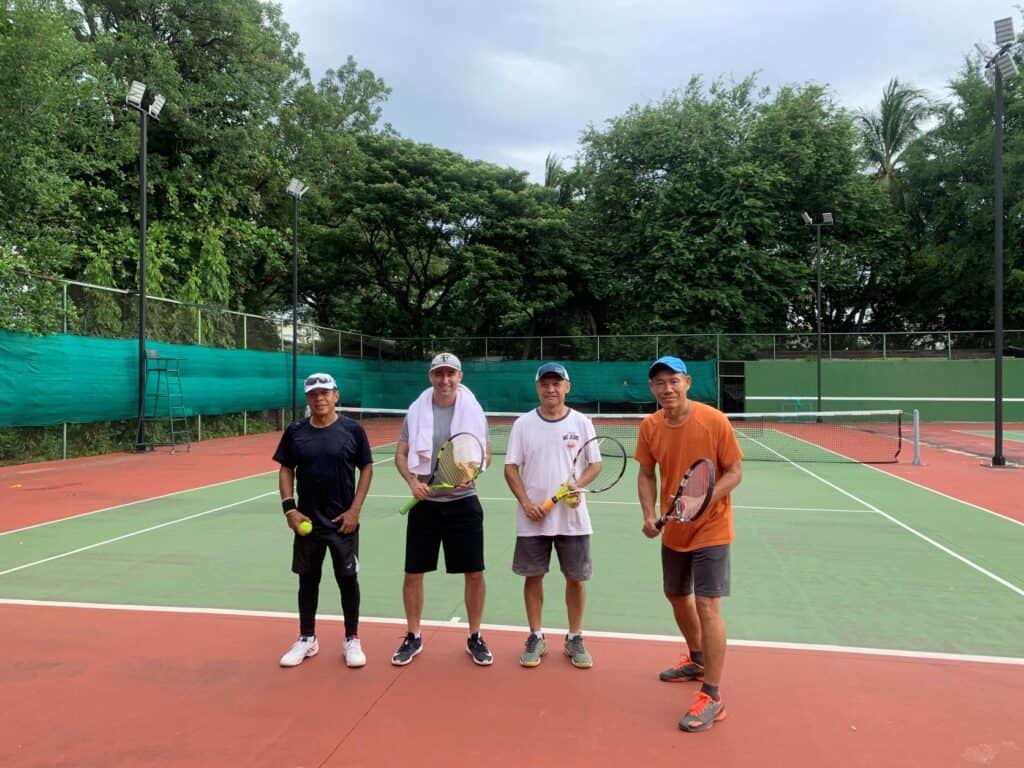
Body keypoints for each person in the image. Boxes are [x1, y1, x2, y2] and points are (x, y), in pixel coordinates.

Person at [636, 356, 743, 732]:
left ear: (688, 382)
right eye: (659, 383)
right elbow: (646, 474)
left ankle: (712, 696)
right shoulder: (650, 426)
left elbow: (735, 472)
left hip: (712, 527)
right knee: (676, 596)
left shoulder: (714, 421)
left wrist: (703, 501)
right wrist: (649, 514)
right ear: (652, 389)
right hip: (674, 529)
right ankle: (697, 658)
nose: (667, 388)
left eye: (674, 380)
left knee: (707, 605)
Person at [392, 352, 493, 666]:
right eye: (439, 374)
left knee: (474, 573)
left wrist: (472, 473)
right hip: (425, 505)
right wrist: (412, 481)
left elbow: (485, 453)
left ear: (459, 377)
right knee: (413, 573)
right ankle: (413, 635)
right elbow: (402, 453)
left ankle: (475, 636)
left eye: (451, 374)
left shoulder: (474, 411)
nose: (445, 380)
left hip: (464, 503)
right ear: (431, 377)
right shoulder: (416, 410)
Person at [274, 372, 373, 669]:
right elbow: (285, 469)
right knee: (308, 580)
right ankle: (307, 638)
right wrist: (290, 509)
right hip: (307, 522)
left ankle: (351, 638)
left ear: (336, 396)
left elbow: (366, 468)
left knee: (347, 580)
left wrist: (355, 510)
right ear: (307, 398)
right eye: (314, 394)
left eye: (325, 393)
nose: (320, 398)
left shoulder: (353, 430)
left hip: (343, 522)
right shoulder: (295, 432)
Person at [504, 362, 600, 669]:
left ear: (567, 387)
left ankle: (575, 637)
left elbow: (595, 465)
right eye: (545, 384)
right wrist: (526, 502)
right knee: (534, 577)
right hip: (532, 519)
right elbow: (510, 468)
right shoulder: (522, 424)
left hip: (573, 519)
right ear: (537, 388)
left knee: (575, 578)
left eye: (557, 383)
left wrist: (577, 486)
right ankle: (536, 635)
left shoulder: (583, 422)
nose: (551, 389)